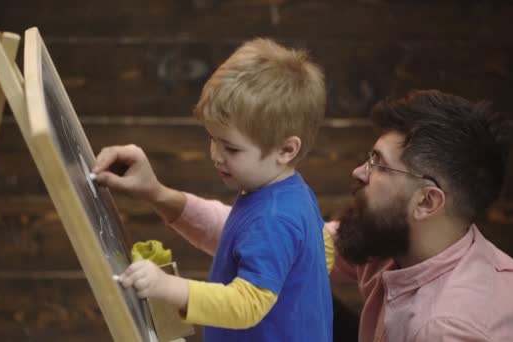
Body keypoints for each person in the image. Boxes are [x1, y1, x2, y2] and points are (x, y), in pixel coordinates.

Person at [97, 89, 513, 341]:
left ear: (427, 202)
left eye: (379, 165)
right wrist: (157, 194)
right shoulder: (392, 237)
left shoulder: (446, 326)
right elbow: (270, 241)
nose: (359, 172)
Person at [93, 38, 333, 341]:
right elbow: (324, 252)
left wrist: (169, 288)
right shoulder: (294, 195)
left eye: (231, 148)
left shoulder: (275, 217)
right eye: (212, 139)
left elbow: (247, 304)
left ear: (286, 149)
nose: (216, 155)